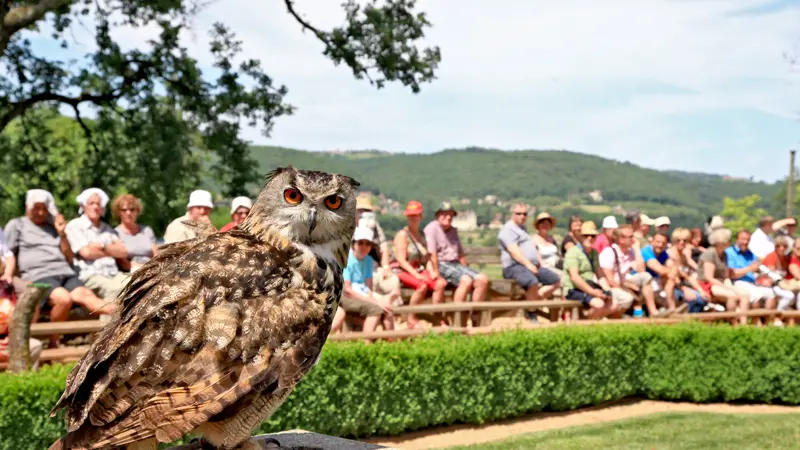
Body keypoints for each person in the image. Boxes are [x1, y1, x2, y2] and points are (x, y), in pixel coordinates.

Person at [424, 202, 489, 326]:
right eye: (445, 214)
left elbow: (460, 253)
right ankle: (458, 319)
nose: (448, 217)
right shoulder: (431, 228)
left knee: (483, 279)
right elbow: (432, 254)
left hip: (455, 264)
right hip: (441, 263)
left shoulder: (453, 230)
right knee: (466, 280)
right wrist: (436, 272)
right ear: (438, 215)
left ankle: (475, 315)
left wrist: (465, 267)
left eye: (451, 215)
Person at [65, 188, 130, 303]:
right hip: (90, 275)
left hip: (113, 273)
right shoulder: (75, 226)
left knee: (136, 284)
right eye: (91, 203)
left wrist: (101, 246)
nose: (95, 207)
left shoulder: (108, 229)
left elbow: (123, 252)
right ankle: (107, 321)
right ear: (83, 206)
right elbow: (86, 253)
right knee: (115, 289)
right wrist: (111, 249)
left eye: (99, 204)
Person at [331, 226, 395, 342]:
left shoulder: (369, 260)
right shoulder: (347, 259)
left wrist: (372, 298)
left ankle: (391, 343)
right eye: (361, 243)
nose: (364, 247)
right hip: (345, 296)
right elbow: (347, 290)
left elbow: (368, 287)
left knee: (388, 309)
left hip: (360, 294)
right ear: (353, 243)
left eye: (367, 244)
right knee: (375, 309)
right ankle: (366, 344)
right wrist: (373, 301)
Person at [391, 201, 447, 329]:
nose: (413, 218)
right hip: (402, 270)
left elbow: (425, 258)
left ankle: (437, 316)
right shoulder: (402, 235)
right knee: (422, 286)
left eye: (415, 215)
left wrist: (432, 271)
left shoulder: (422, 235)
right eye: (410, 216)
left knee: (440, 283)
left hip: (417, 268)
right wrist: (417, 275)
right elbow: (401, 260)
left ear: (420, 217)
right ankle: (412, 318)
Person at [498, 204, 561, 303]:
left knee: (556, 280)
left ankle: (533, 302)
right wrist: (528, 264)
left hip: (531, 266)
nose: (522, 216)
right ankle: (532, 311)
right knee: (532, 282)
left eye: (524, 214)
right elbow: (514, 251)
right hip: (514, 267)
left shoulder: (522, 228)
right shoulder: (508, 230)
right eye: (518, 214)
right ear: (512, 214)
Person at [562, 221, 624, 319]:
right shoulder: (572, 252)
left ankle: (587, 321)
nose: (589, 238)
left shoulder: (594, 253)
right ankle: (584, 324)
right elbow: (575, 278)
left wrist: (607, 291)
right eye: (586, 235)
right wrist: (593, 292)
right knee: (599, 304)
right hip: (572, 290)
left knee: (614, 304)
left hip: (588, 286)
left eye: (592, 235)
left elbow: (600, 275)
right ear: (580, 237)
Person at [696, 228, 750, 326]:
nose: (730, 242)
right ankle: (733, 323)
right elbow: (709, 277)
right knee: (732, 296)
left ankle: (744, 323)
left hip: (721, 283)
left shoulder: (725, 254)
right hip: (708, 285)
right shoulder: (710, 253)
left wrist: (729, 286)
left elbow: (726, 276)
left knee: (744, 295)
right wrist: (726, 287)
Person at [112, 194, 158, 271]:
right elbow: (123, 263)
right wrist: (144, 268)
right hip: (131, 272)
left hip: (153, 269)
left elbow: (156, 255)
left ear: (137, 211)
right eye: (124, 210)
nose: (128, 213)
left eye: (132, 209)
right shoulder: (115, 233)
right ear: (118, 212)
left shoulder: (147, 230)